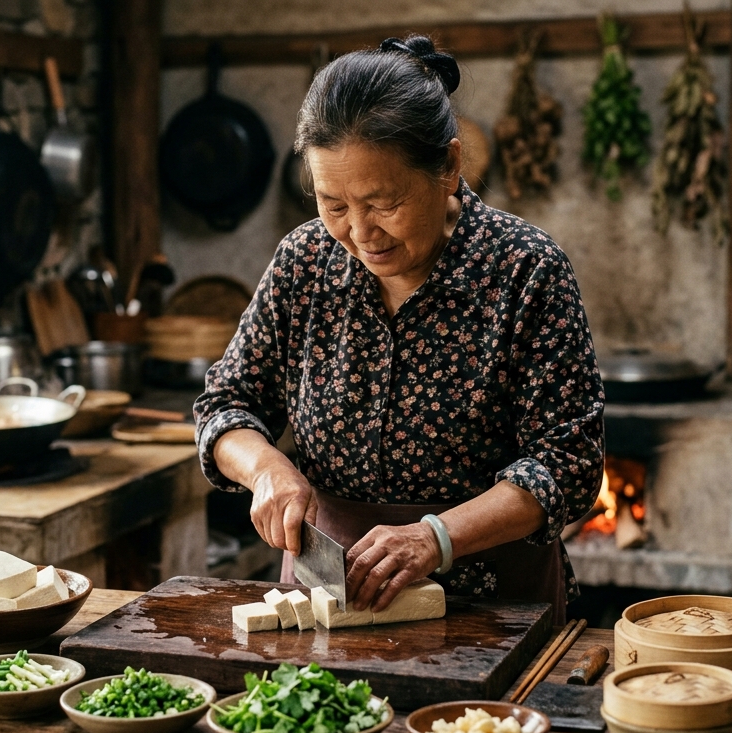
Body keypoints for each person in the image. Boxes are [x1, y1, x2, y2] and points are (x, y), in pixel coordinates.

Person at [193, 36, 604, 621]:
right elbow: (225, 405)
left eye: (383, 203)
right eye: (334, 205)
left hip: (490, 605)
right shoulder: (303, 263)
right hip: (328, 594)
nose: (360, 233)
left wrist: (435, 536)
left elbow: (569, 461)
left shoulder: (525, 270)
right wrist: (266, 469)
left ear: (449, 167)